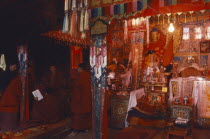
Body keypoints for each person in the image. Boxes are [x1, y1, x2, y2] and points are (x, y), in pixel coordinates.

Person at [69, 63, 92, 136]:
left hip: (79, 99)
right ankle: (85, 128)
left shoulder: (79, 75)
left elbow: (76, 85)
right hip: (87, 98)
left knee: (77, 115)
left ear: (80, 68)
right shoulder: (88, 75)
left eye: (78, 68)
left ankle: (75, 130)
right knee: (85, 114)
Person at [0, 62, 22, 132]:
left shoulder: (14, 77)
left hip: (9, 103)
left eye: (16, 67)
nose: (14, 68)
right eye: (13, 66)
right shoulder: (5, 75)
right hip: (6, 102)